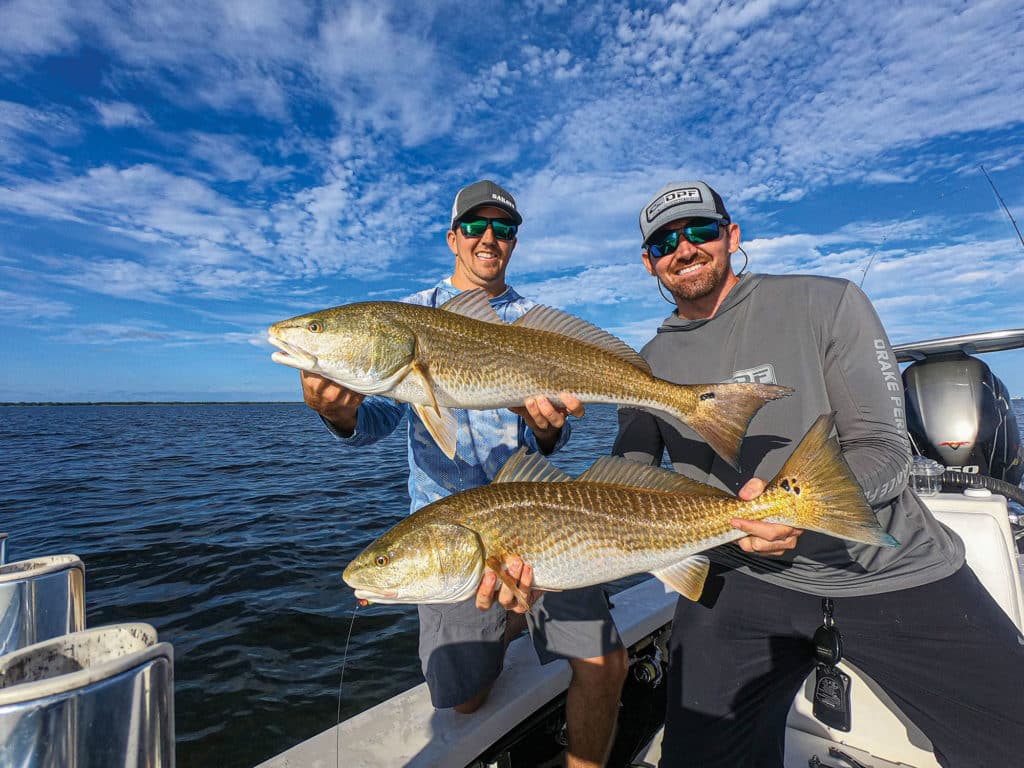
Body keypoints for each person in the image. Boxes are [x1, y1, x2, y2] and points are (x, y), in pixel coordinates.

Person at [613, 180, 1024, 767]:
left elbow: (885, 450)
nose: (684, 249)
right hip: (741, 573)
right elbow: (622, 482)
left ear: (731, 235)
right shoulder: (645, 366)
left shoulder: (827, 302)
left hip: (885, 563)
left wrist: (788, 508)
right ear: (649, 261)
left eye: (700, 231)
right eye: (664, 242)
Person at [301, 179, 629, 768]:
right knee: (467, 700)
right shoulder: (406, 318)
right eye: (476, 226)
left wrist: (550, 427)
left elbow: (548, 440)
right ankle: (499, 628)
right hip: (447, 540)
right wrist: (339, 408)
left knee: (606, 664)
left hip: (544, 525)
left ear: (513, 244)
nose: (489, 238)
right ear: (453, 237)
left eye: (503, 229)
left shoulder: (534, 323)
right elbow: (376, 418)